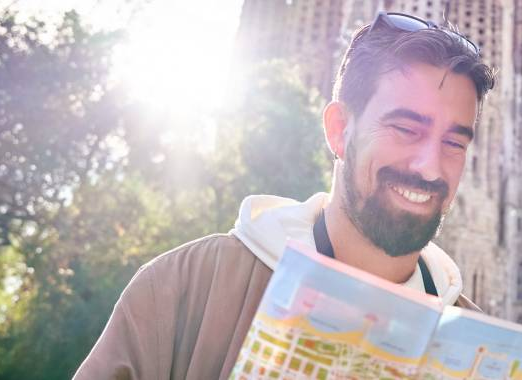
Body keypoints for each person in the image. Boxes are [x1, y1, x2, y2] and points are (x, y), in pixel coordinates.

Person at [73, 11, 495, 380]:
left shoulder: (479, 346)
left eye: (454, 143)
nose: (429, 166)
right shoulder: (185, 290)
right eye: (406, 129)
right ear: (339, 131)